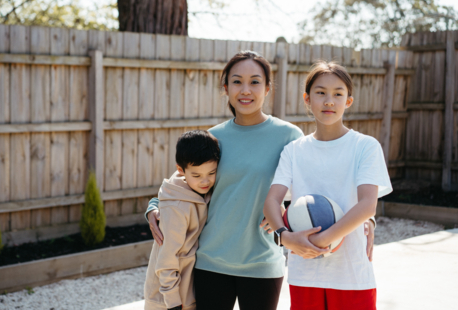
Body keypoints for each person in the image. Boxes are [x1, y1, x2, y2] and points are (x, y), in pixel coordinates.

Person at [146, 52, 376, 310]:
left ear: (267, 88)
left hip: (264, 263)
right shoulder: (212, 138)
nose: (246, 90)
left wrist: (365, 219)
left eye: (255, 82)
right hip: (211, 260)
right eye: (237, 82)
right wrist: (154, 205)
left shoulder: (289, 137)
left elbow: (318, 187)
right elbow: (183, 182)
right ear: (226, 88)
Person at [263, 61, 392, 310]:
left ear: (349, 101)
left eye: (338, 94)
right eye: (320, 92)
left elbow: (367, 205)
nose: (329, 101)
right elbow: (271, 201)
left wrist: (324, 239)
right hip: (305, 274)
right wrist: (285, 237)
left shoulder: (365, 146)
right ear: (307, 99)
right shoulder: (293, 150)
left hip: (352, 274)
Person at [144, 130, 221, 310]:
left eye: (212, 173)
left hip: (184, 294)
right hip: (166, 301)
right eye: (196, 175)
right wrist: (173, 303)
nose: (205, 181)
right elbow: (167, 259)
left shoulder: (195, 190)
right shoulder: (177, 208)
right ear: (181, 170)